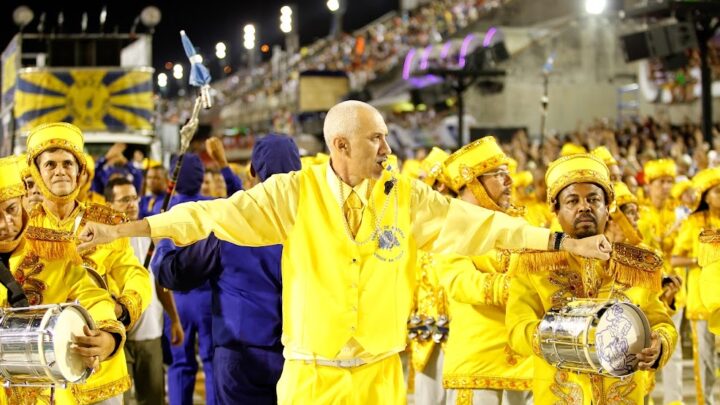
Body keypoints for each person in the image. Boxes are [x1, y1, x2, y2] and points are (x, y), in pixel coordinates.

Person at [78, 100, 610, 404]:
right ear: (342, 146)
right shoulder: (293, 193)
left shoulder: (405, 196)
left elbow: (480, 227)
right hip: (312, 379)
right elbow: (208, 216)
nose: (387, 148)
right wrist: (129, 230)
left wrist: (562, 241)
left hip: (380, 375)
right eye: (377, 138)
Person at [506, 154, 677, 404]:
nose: (584, 207)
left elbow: (662, 322)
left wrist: (659, 345)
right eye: (572, 200)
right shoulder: (533, 264)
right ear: (556, 209)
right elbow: (516, 329)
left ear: (608, 207)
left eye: (593, 199)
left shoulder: (637, 265)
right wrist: (561, 336)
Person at [154, 134, 300, 405]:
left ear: (253, 171)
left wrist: (162, 241)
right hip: (298, 356)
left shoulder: (230, 226)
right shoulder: (318, 225)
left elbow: (173, 273)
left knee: (182, 366)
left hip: (240, 356)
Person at [25, 122, 151, 404]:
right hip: (43, 372)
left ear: (80, 172)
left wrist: (120, 312)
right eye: (51, 165)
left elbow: (134, 273)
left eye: (68, 163)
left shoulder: (106, 222)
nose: (60, 171)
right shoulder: (22, 227)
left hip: (101, 365)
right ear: (37, 172)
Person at [0, 155, 125, 404]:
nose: (4, 223)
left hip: (47, 393)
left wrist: (108, 337)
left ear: (24, 200)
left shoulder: (53, 248)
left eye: (11, 209)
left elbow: (91, 295)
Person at [439, 137, 532, 405]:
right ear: (473, 182)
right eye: (499, 175)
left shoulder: (518, 223)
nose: (509, 182)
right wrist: (517, 289)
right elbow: (460, 281)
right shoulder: (451, 226)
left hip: (525, 358)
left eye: (508, 174)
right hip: (478, 361)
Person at [104, 177, 185, 405]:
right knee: (120, 400)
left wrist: (175, 319)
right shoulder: (102, 241)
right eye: (124, 200)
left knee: (153, 398)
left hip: (150, 333)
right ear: (109, 204)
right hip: (117, 335)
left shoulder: (149, 236)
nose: (131, 204)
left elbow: (160, 283)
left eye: (133, 198)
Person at [150, 153, 216, 405]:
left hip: (176, 299)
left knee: (179, 363)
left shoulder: (164, 208)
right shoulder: (214, 205)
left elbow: (160, 256)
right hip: (209, 297)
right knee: (211, 362)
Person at [671, 166, 720, 405]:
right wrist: (700, 259)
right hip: (703, 301)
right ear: (706, 196)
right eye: (718, 191)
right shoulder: (693, 222)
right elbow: (675, 258)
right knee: (706, 360)